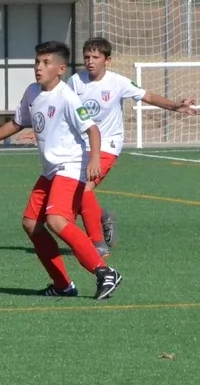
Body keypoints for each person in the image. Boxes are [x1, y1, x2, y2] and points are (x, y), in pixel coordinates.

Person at [0, 41, 122, 300]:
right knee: (31, 224)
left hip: (71, 166)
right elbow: (16, 124)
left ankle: (105, 272)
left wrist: (94, 159)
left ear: (60, 69)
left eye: (46, 63)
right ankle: (62, 285)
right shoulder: (32, 92)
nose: (39, 67)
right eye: (37, 61)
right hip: (51, 170)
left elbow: (92, 129)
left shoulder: (67, 96)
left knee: (57, 221)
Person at [67, 37, 197, 256]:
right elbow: (64, 108)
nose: (90, 61)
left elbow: (149, 97)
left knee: (85, 188)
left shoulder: (118, 82)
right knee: (74, 193)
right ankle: (102, 217)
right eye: (87, 57)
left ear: (107, 61)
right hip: (81, 145)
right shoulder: (75, 81)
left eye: (96, 57)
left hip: (108, 144)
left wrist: (176, 106)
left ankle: (97, 244)